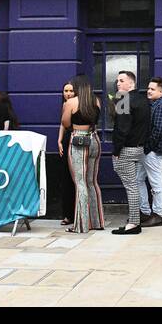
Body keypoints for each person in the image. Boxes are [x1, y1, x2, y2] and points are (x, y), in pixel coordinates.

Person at [61, 74, 104, 234]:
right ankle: (97, 222)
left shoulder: (71, 102)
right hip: (94, 140)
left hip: (78, 140)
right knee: (92, 181)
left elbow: (65, 123)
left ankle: (81, 225)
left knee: (80, 182)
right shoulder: (96, 101)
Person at [111, 70, 150, 235]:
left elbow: (122, 128)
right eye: (117, 81)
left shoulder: (123, 100)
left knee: (131, 186)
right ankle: (136, 220)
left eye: (121, 81)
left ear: (131, 83)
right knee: (134, 184)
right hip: (140, 148)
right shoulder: (142, 99)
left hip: (126, 149)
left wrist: (116, 150)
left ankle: (134, 223)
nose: (118, 84)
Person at [139, 77, 162, 227]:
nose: (148, 91)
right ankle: (145, 211)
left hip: (153, 151)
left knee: (156, 184)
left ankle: (158, 214)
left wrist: (148, 147)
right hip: (148, 150)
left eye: (152, 89)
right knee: (137, 179)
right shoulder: (154, 104)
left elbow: (158, 130)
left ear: (161, 91)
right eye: (148, 88)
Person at [53, 80, 78, 226]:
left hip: (78, 139)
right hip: (68, 139)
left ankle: (76, 213)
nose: (67, 94)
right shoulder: (65, 105)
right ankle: (68, 214)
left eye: (70, 91)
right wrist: (59, 140)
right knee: (67, 178)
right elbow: (62, 124)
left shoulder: (77, 104)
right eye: (65, 91)